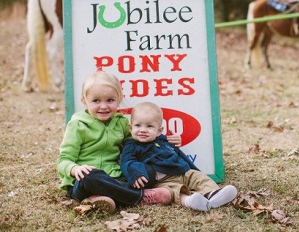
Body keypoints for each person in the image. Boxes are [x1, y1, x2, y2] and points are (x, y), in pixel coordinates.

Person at [57, 71, 181, 214]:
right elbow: (63, 160)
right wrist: (75, 169)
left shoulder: (121, 122)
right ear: (84, 100)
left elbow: (139, 142)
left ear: (119, 99)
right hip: (85, 181)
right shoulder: (78, 125)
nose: (103, 106)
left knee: (146, 171)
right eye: (96, 101)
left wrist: (164, 140)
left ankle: (99, 199)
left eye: (110, 100)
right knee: (91, 177)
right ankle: (142, 197)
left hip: (116, 177)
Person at [120, 102, 238, 212]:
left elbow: (179, 154)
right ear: (130, 128)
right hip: (162, 180)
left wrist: (191, 168)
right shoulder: (132, 145)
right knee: (174, 191)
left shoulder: (163, 140)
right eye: (138, 125)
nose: (143, 130)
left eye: (149, 126)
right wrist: (135, 173)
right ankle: (190, 201)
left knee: (199, 177)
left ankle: (213, 194)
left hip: (182, 172)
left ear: (159, 131)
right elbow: (127, 162)